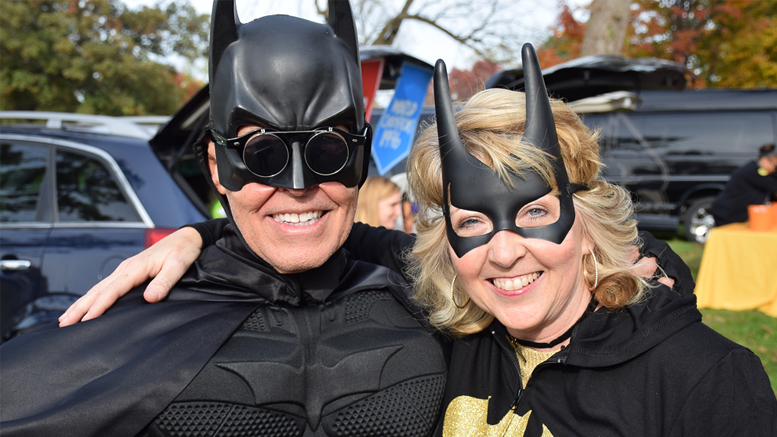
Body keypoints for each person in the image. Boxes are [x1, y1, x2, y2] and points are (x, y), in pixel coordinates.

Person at [59, 44, 776, 436]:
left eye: (534, 214)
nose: (501, 252)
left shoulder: (704, 379)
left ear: (586, 217)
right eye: (470, 222)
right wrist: (202, 233)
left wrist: (645, 269)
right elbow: (326, 236)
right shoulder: (458, 335)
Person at [0, 2, 447, 436]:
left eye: (327, 150)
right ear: (217, 167)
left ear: (359, 160)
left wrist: (202, 232)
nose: (296, 186)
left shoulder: (438, 294)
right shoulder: (149, 319)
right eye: (263, 153)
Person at [710, 144, 777, 226]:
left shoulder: (755, 169)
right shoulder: (753, 171)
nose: (774, 169)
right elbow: (773, 185)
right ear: (765, 160)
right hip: (727, 213)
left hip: (734, 214)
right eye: (775, 166)